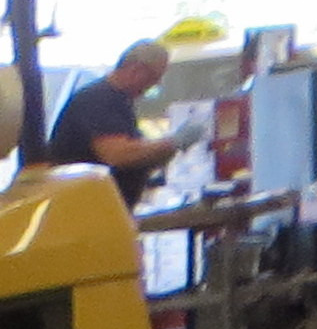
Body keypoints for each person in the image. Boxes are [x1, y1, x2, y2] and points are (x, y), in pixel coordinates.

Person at [42, 39, 200, 207]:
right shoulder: (98, 99)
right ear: (135, 70)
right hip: (87, 210)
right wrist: (172, 142)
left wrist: (161, 154)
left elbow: (134, 150)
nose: (154, 85)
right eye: (153, 78)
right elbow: (118, 154)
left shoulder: (120, 102)